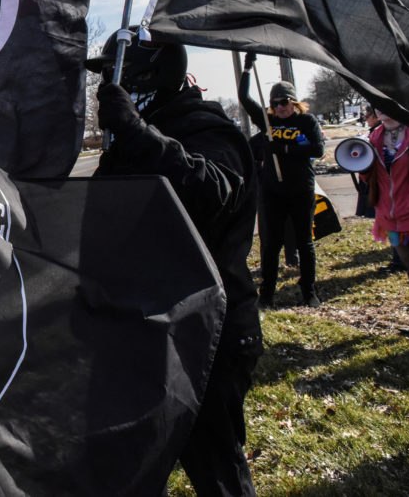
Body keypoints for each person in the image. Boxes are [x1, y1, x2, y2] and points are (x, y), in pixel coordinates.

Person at [89, 29, 263, 496]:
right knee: (138, 464)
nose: (109, 85)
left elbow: (212, 192)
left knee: (215, 464)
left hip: (209, 331)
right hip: (146, 325)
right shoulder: (130, 141)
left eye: (118, 76)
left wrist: (137, 133)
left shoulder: (207, 128)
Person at [238, 52, 325, 308]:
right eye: (275, 103)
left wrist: (285, 149)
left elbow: (318, 149)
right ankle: (266, 295)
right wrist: (247, 68)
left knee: (304, 242)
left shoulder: (306, 121)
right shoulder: (268, 121)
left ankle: (309, 291)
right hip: (272, 192)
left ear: (294, 101)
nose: (280, 107)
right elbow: (244, 98)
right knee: (271, 245)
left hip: (300, 190)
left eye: (284, 102)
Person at [364, 110, 409, 306]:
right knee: (408, 263)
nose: (382, 109)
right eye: (377, 106)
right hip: (389, 216)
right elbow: (367, 176)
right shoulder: (373, 138)